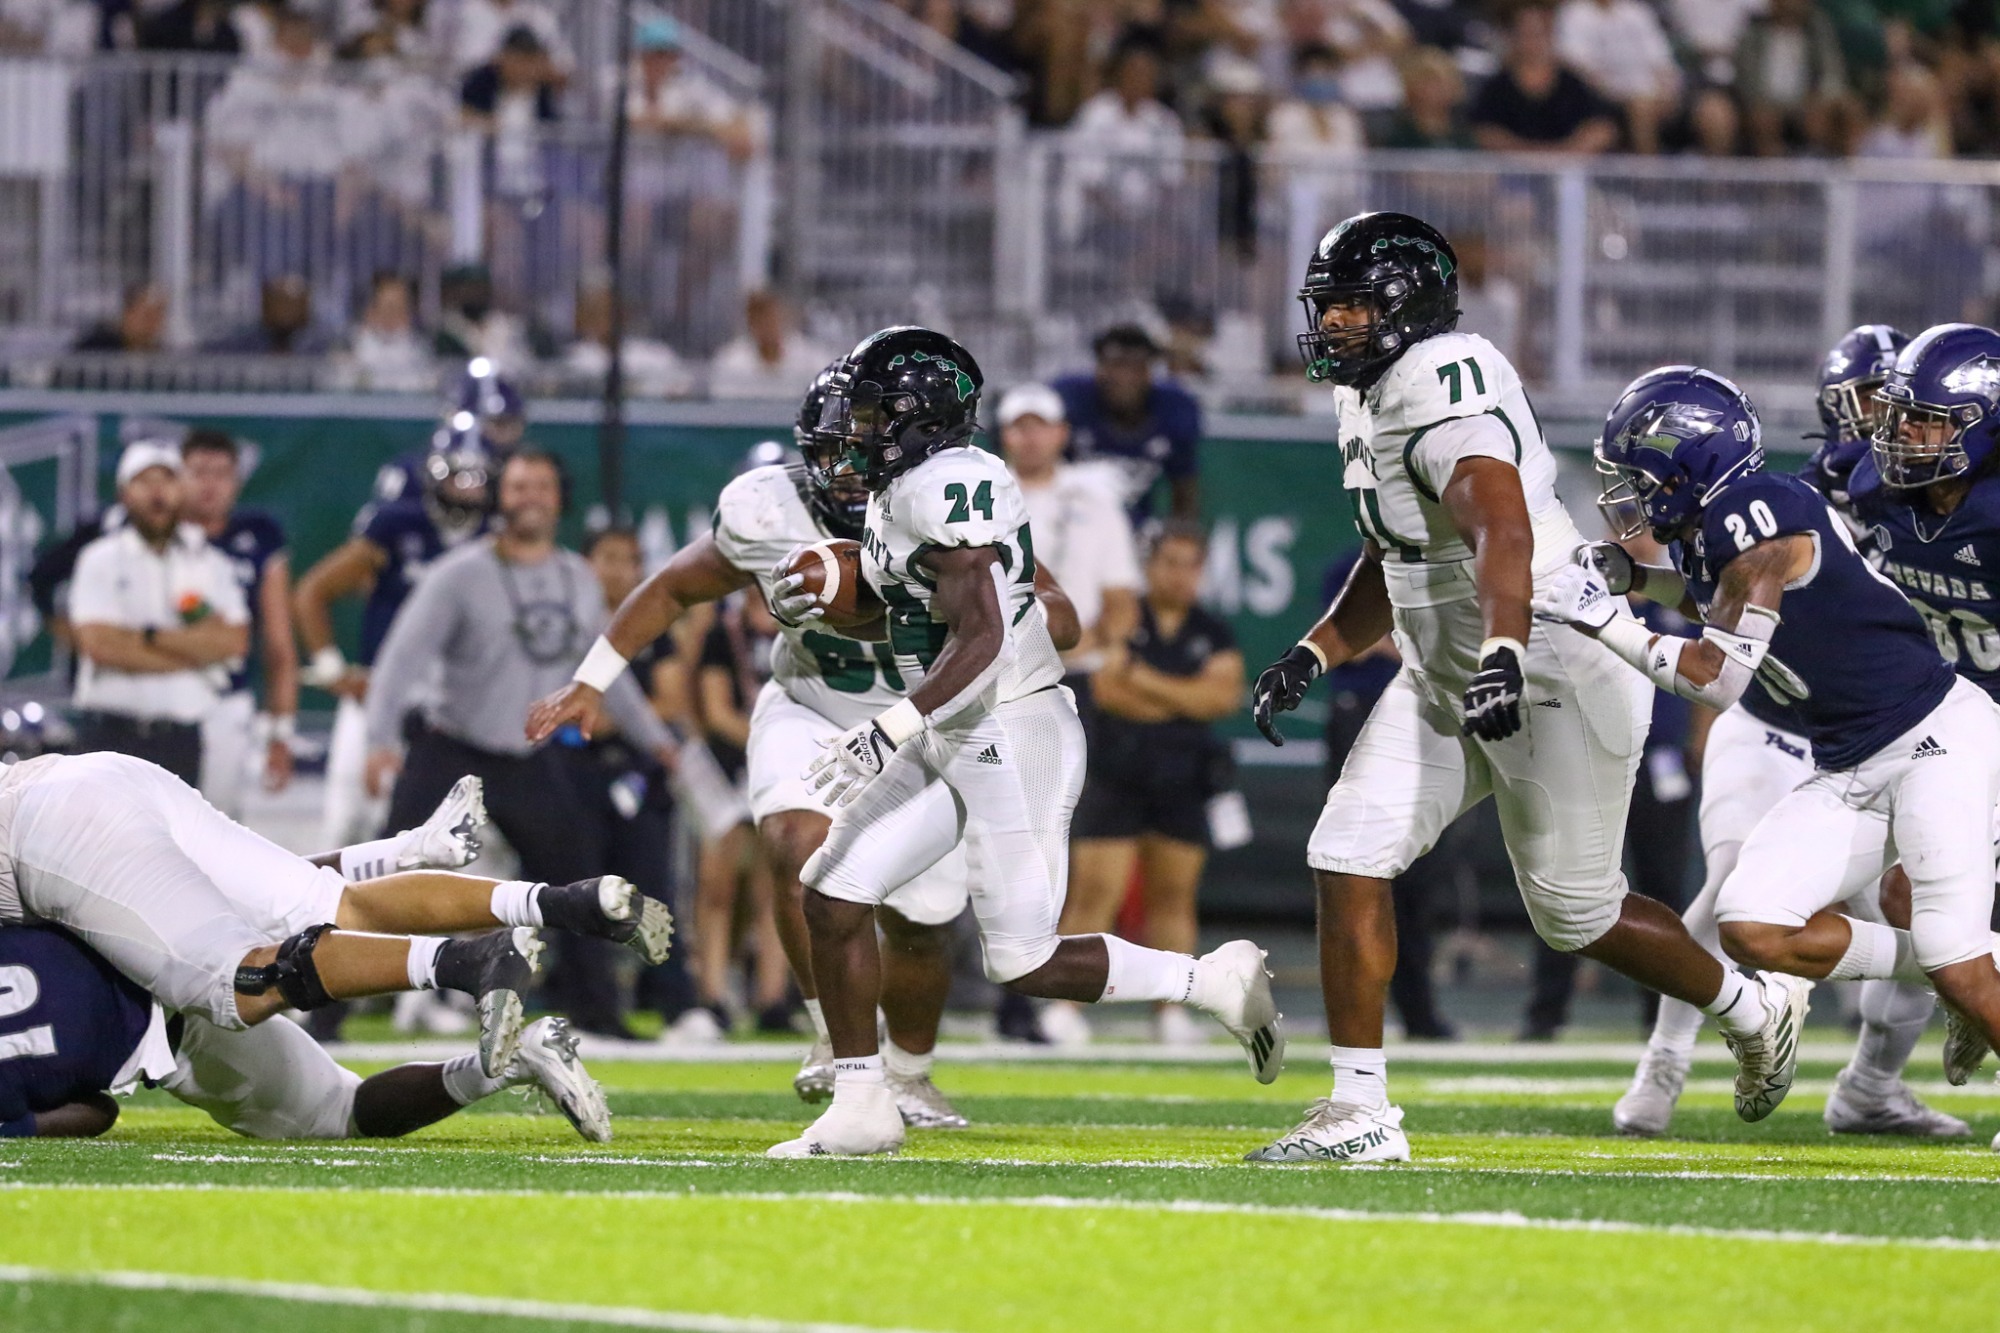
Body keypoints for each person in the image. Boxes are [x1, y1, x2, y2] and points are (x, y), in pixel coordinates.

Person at [1246, 214, 1804, 1164]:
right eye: (1326, 306)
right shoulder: (1368, 395)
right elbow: (1402, 550)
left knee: (1575, 914)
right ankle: (1360, 1111)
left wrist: (1502, 648)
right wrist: (1317, 649)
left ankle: (1753, 1007)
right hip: (1446, 668)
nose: (1333, 325)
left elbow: (1498, 530)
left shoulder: (1440, 384)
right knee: (1347, 851)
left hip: (1546, 655)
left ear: (1404, 309)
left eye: (1351, 306)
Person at [763, 326, 1282, 1158]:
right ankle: (864, 1102)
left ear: (914, 417)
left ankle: (1210, 980)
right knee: (830, 890)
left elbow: (984, 638)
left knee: (1023, 959)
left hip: (1013, 723)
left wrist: (889, 726)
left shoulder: (951, 485)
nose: (853, 433)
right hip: (956, 722)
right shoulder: (906, 492)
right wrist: (829, 602)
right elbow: (911, 609)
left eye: (867, 414)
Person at [528, 373, 1012, 1129]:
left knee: (923, 920)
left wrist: (998, 611)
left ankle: (911, 1073)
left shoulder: (952, 506)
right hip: (813, 702)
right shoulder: (769, 510)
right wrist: (591, 680)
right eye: (835, 451)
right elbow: (672, 588)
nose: (850, 469)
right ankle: (830, 1030)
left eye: (866, 450)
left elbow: (1059, 612)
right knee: (795, 842)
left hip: (920, 723)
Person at [1537, 356, 2000, 1124]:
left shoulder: (1755, 516)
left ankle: (1961, 967)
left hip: (1935, 740)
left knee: (1955, 948)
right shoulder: (1719, 523)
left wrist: (1605, 619)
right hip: (1849, 759)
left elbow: (1715, 676)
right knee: (1753, 925)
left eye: (1641, 474)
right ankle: (1958, 966)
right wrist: (1633, 580)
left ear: (1687, 463)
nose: (1632, 493)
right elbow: (1710, 594)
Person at [0, 747, 659, 1081]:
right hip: (99, 775)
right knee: (333, 904)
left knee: (241, 986)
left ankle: (468, 959)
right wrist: (389, 852)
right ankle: (555, 901)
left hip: (50, 829)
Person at [364, 452, 679, 1036]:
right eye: (517, 486)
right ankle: (323, 1005)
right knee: (389, 871)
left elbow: (605, 673)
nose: (529, 496)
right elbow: (400, 659)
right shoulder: (459, 573)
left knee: (575, 878)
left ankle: (599, 1012)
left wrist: (656, 741)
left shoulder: (577, 578)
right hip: (452, 747)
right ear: (499, 498)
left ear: (558, 499)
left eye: (540, 485)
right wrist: (378, 741)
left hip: (531, 757)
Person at [1049, 522, 1244, 1047]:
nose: (1181, 575)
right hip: (1114, 770)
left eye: (1192, 564)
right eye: (1171, 562)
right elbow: (1110, 691)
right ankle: (1063, 1008)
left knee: (1174, 898)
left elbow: (1221, 698)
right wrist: (1183, 695)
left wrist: (1145, 679)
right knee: (1094, 895)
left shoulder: (1213, 628)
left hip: (1182, 776)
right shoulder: (1122, 617)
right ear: (1149, 565)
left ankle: (1171, 1012)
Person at [296, 436, 495, 851]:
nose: (467, 487)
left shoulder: (497, 538)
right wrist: (333, 668)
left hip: (453, 706)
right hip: (381, 691)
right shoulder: (398, 527)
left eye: (476, 476)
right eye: (457, 474)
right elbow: (313, 591)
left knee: (452, 835)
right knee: (348, 825)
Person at [69, 441, 249, 787]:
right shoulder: (99, 559)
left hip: (179, 740)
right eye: (144, 481)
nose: (157, 493)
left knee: (177, 840)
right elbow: (102, 646)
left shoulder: (210, 564)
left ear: (182, 491)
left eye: (167, 481)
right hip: (110, 735)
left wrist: (145, 637)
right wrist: (194, 654)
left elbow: (233, 642)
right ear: (124, 493)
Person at [576, 526, 697, 1029]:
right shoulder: (567, 622)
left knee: (653, 888)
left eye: (629, 559)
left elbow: (671, 701)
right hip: (574, 770)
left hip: (636, 771)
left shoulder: (652, 624)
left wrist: (611, 717)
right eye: (607, 557)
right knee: (574, 890)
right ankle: (587, 1002)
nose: (618, 570)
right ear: (585, 565)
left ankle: (677, 1003)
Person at [175, 429, 297, 820]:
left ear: (237, 481)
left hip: (226, 697)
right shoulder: (153, 535)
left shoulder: (256, 536)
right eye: (198, 472)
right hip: (161, 694)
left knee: (215, 825)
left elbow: (278, 644)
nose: (209, 485)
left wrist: (281, 733)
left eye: (221, 473)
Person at [691, 588, 793, 1034]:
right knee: (718, 884)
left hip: (782, 765)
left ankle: (772, 997)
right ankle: (711, 993)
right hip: (729, 764)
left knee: (776, 886)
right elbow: (715, 713)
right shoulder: (721, 629)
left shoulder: (802, 630)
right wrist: (771, 741)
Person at [1053, 324, 1203, 525]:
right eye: (1116, 365)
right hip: (1070, 524)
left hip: (1136, 527)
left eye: (1135, 368)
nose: (1124, 378)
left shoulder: (1175, 407)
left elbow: (1184, 485)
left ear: (1149, 373)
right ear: (1099, 369)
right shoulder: (1068, 399)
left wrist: (1180, 537)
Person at [1468, 4, 1620, 154]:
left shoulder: (1573, 82)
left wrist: (1564, 155)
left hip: (1569, 169)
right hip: (1512, 170)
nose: (1533, 42)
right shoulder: (1498, 86)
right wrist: (1529, 156)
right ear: (1512, 37)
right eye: (1525, 34)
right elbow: (1483, 131)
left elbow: (1603, 127)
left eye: (1538, 33)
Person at [708, 291, 838, 400]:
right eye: (760, 321)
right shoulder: (731, 362)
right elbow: (724, 406)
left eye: (772, 319)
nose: (768, 326)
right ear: (750, 324)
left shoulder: (810, 358)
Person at [337, 272, 437, 394]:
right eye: (388, 308)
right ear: (370, 312)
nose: (393, 316)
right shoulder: (349, 347)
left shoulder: (421, 351)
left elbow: (429, 384)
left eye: (400, 309)